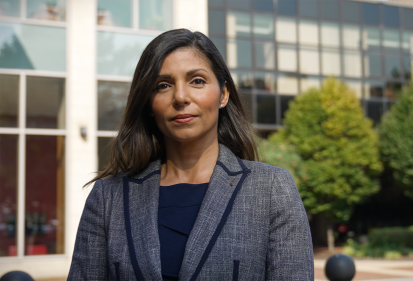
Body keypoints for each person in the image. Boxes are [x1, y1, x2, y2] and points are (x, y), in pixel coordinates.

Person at [68, 29, 313, 281]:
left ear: (223, 94)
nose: (181, 97)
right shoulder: (109, 197)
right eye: (163, 85)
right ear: (149, 103)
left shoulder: (272, 190)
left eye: (197, 80)